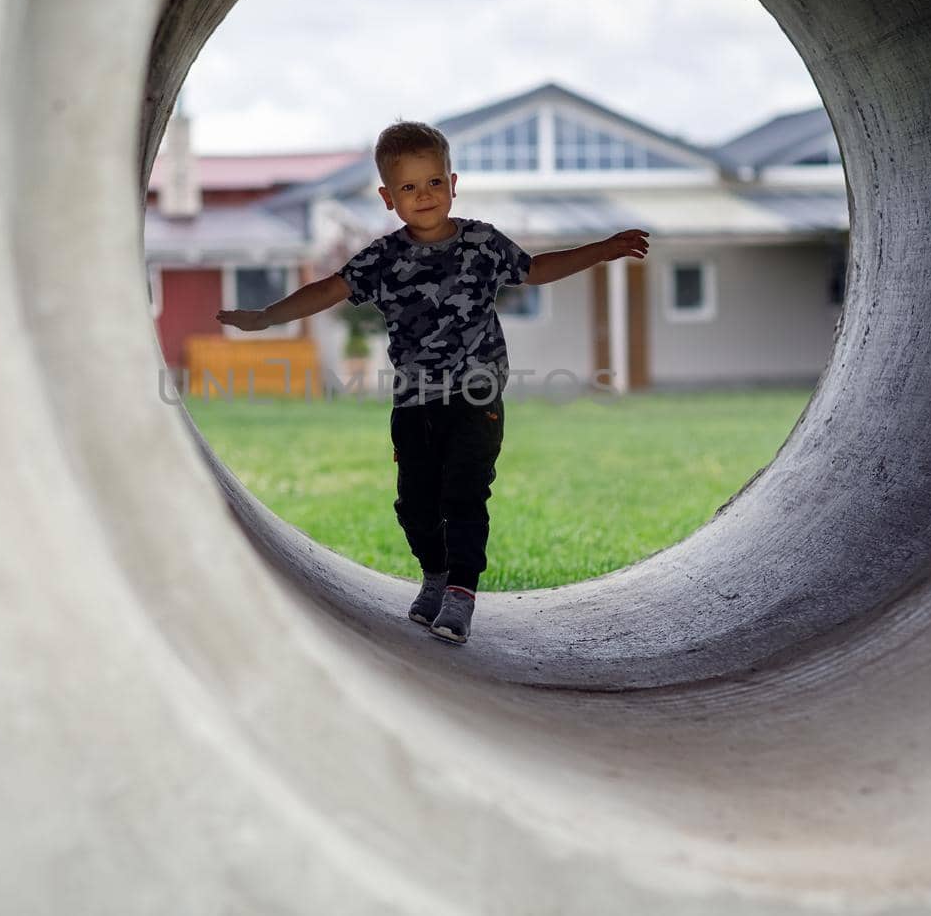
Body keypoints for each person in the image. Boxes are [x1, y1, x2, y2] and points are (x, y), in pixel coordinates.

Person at [217, 121, 648, 644]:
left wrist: (600, 249)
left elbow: (535, 269)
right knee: (415, 502)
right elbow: (329, 289)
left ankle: (462, 594)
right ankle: (436, 575)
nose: (423, 196)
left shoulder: (482, 243)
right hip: (415, 401)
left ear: (453, 182)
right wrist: (267, 317)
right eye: (408, 188)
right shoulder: (383, 259)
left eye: (434, 183)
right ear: (387, 197)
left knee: (465, 493)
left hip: (477, 394)